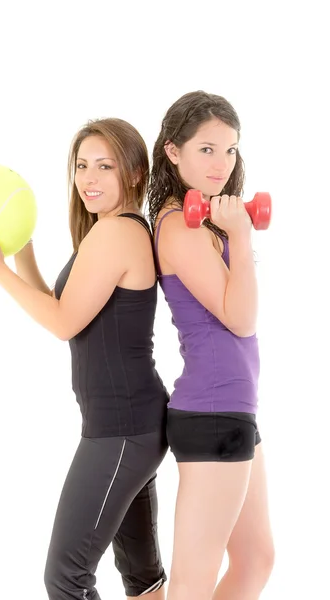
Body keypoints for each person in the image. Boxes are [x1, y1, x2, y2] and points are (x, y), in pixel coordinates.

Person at [0, 118, 169, 600]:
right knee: (143, 577)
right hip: (132, 423)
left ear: (133, 173)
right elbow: (59, 303)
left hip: (122, 430)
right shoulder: (113, 231)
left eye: (104, 166)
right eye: (82, 165)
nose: (88, 178)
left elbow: (62, 323)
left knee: (66, 576)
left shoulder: (116, 233)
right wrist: (21, 251)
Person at [147, 91, 275, 600]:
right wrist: (240, 237)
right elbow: (241, 319)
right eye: (206, 149)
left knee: (256, 559)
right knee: (191, 584)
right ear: (173, 152)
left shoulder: (205, 225)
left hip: (234, 411)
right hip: (213, 411)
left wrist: (233, 234)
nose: (222, 164)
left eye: (230, 150)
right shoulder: (180, 226)